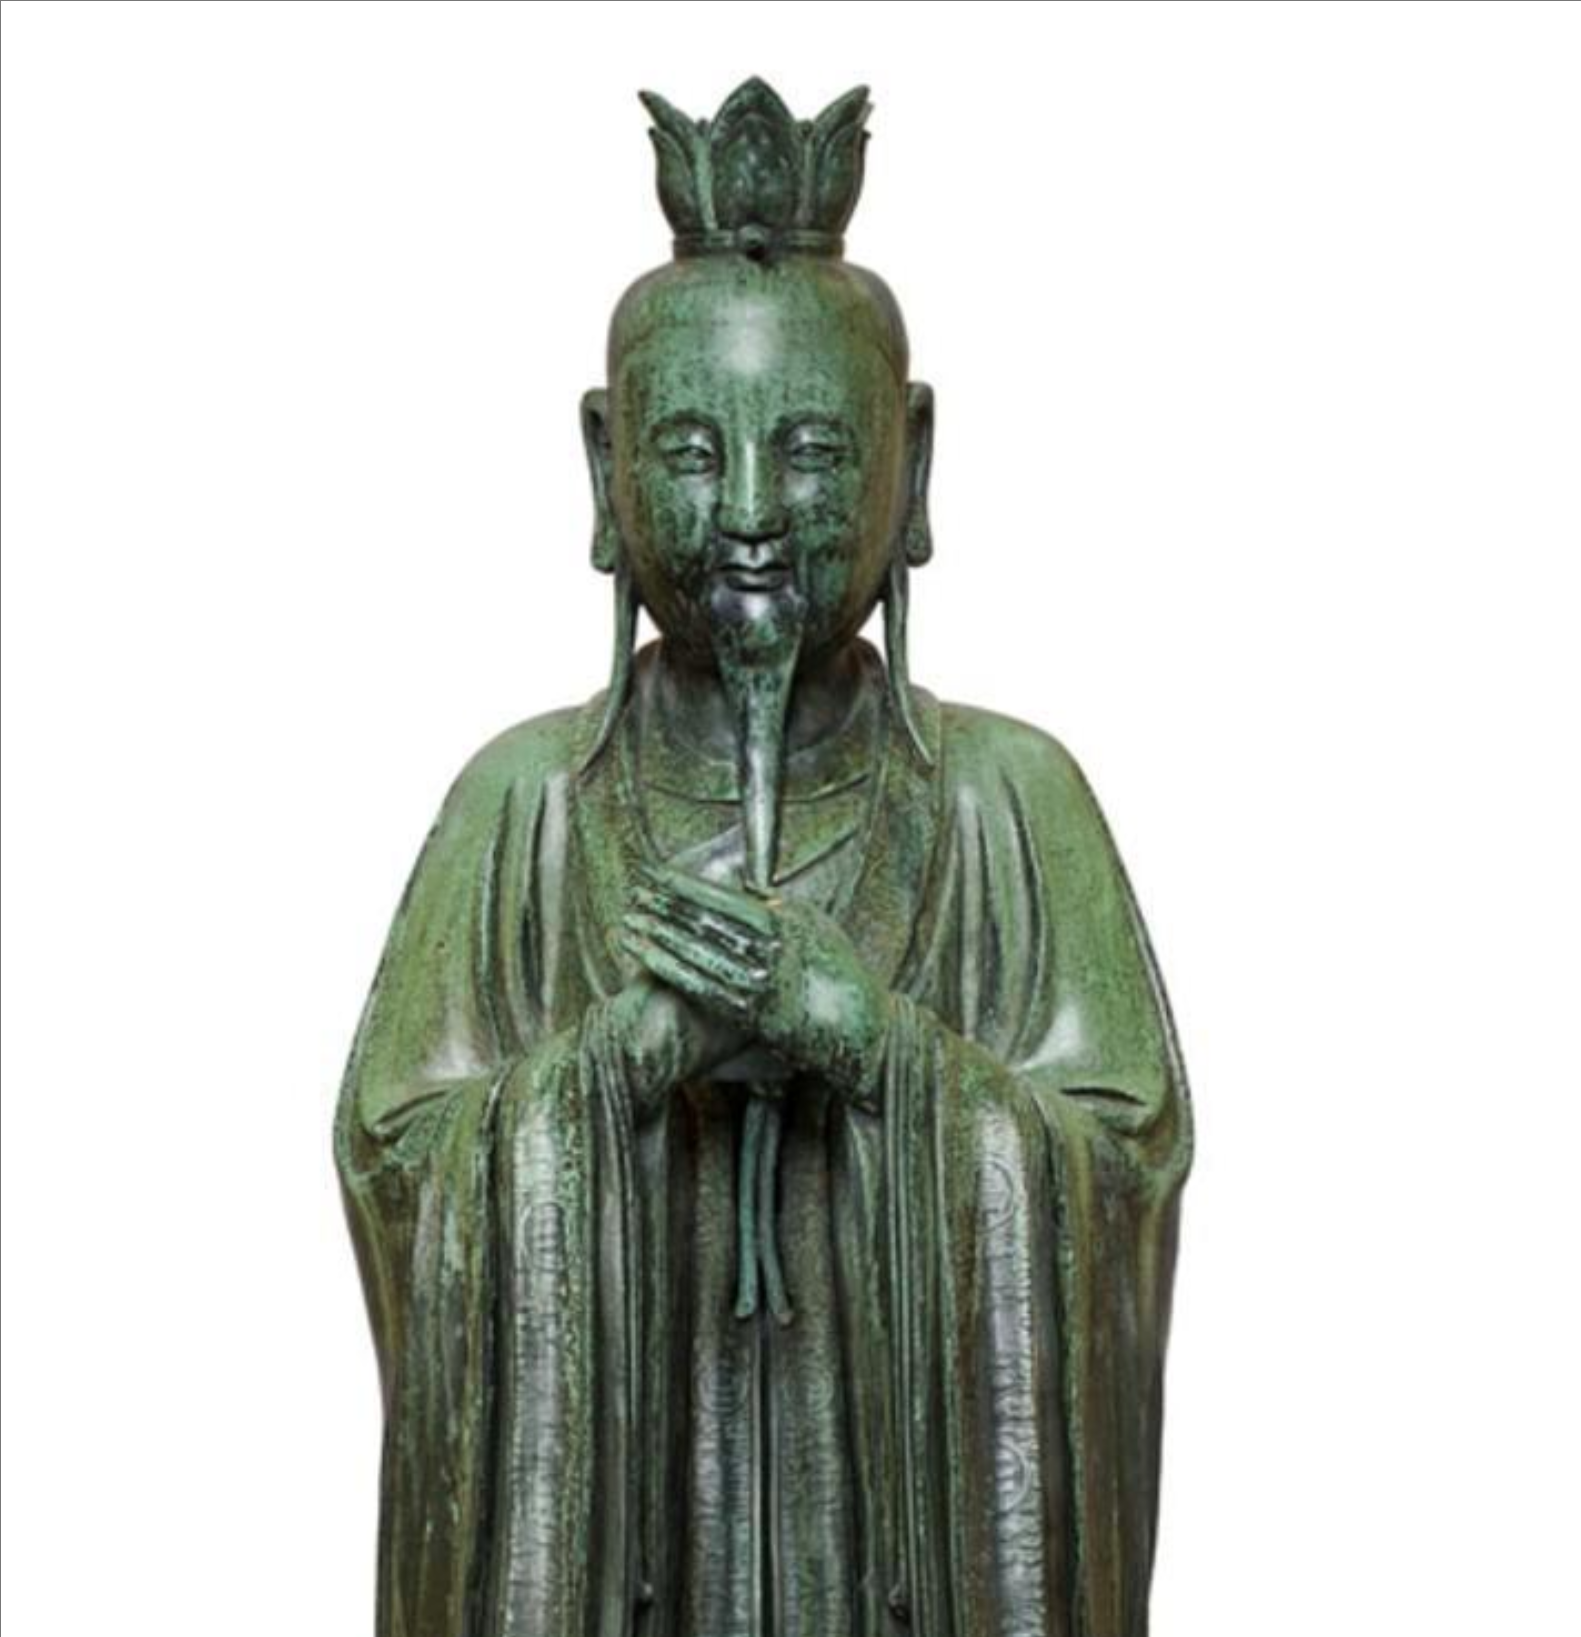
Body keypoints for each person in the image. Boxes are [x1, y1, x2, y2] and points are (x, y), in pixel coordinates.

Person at [335, 78, 1192, 1637]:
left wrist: (870, 1045)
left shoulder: (1009, 806)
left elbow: (1117, 1169)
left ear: (911, 468)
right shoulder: (525, 810)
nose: (746, 512)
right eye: (686, 449)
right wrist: (620, 1065)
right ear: (601, 472)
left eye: (807, 452)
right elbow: (403, 1166)